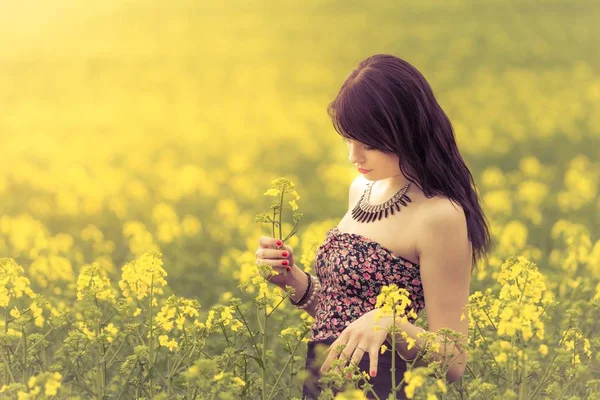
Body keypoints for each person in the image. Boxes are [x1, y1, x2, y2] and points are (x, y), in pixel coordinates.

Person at [255, 54, 491, 399]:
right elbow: (343, 316)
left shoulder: (441, 216)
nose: (354, 156)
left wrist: (390, 324)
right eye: (348, 139)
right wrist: (294, 281)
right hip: (321, 383)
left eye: (369, 144)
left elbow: (452, 361)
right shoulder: (361, 189)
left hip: (378, 389)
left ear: (407, 131)